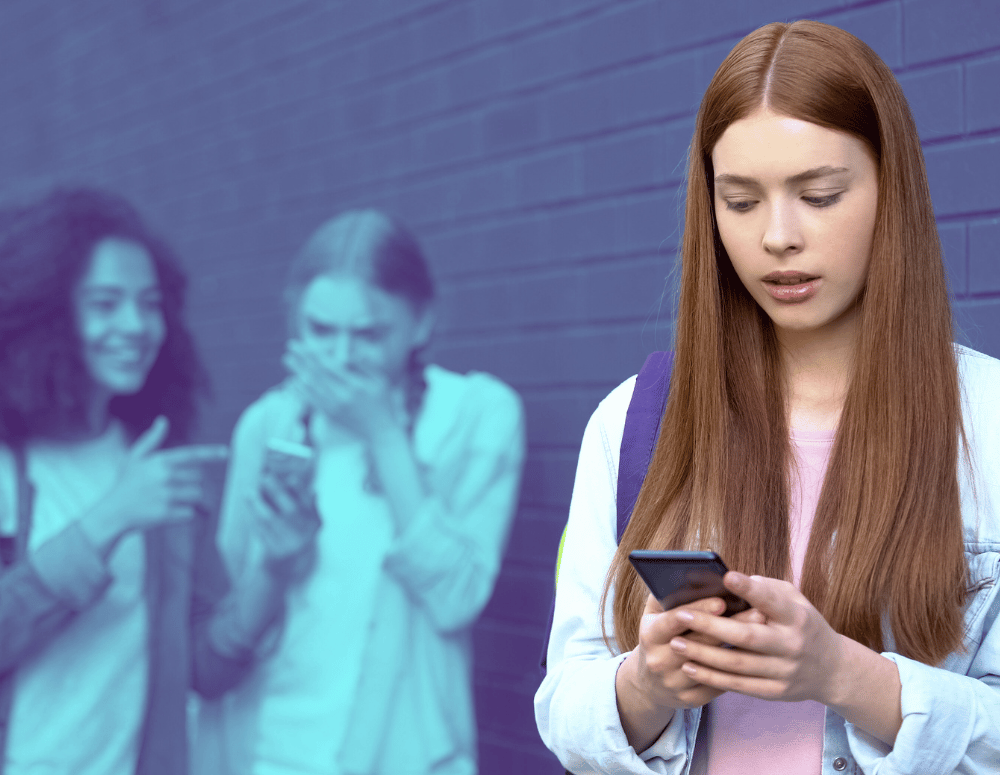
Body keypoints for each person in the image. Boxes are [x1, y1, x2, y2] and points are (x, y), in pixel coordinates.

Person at [535, 20, 999, 775]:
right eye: (741, 201)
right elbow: (564, 703)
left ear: (892, 189)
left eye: (819, 195)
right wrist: (647, 685)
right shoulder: (635, 422)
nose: (778, 236)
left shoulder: (989, 422)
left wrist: (844, 675)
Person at [195, 209, 526, 775]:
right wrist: (276, 562)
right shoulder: (267, 424)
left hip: (404, 754)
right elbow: (228, 610)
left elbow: (457, 598)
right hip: (270, 746)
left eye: (369, 334)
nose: (341, 357)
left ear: (421, 322)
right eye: (320, 331)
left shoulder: (475, 414)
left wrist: (382, 433)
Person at [0, 187, 314, 775]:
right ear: (45, 315)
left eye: (150, 304)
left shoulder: (162, 468)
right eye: (105, 303)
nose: (136, 325)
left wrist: (274, 570)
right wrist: (109, 519)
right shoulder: (14, 463)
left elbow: (202, 668)